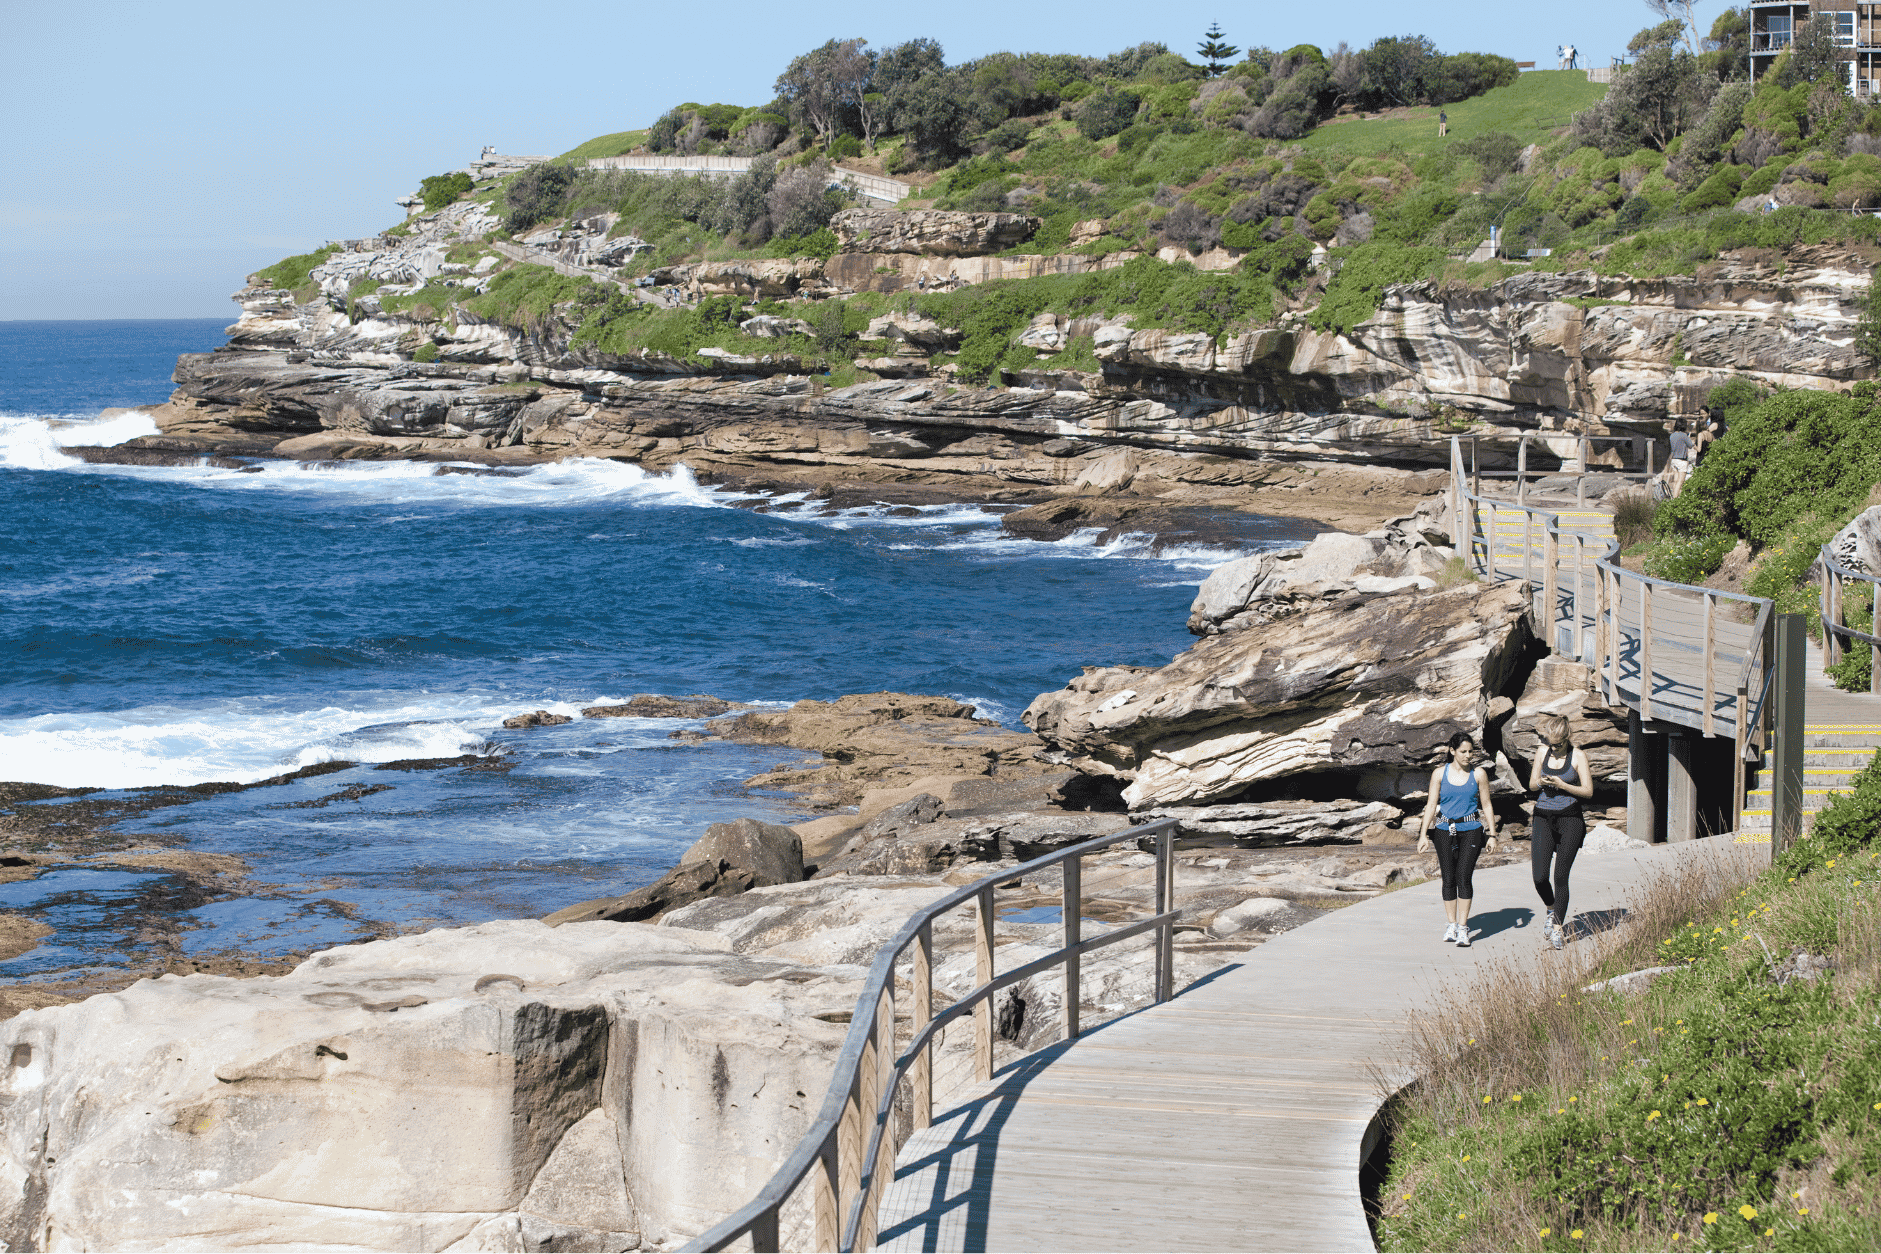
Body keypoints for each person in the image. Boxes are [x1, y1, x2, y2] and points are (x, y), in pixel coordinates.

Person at [1417, 732, 1499, 947]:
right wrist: (1424, 834)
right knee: (1448, 879)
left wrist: (1492, 834)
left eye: (1471, 751)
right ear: (1452, 751)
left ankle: (1463, 928)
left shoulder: (1478, 774)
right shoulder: (1439, 774)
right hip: (1444, 829)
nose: (1468, 755)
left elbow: (1487, 804)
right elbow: (1432, 805)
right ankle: (1451, 924)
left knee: (1464, 877)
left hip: (1471, 829)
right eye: (1463, 751)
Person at [1527, 713, 1594, 950]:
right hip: (1543, 816)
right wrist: (1543, 783)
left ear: (1567, 739)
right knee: (1539, 877)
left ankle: (1557, 929)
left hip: (1570, 820)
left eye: (1558, 745)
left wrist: (1564, 785)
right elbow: (1531, 784)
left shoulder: (1578, 756)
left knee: (1560, 877)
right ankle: (1550, 908)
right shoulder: (1541, 752)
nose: (1553, 749)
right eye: (1550, 744)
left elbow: (1588, 791)